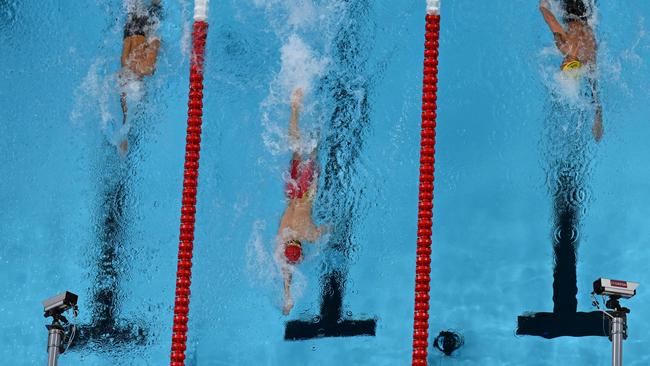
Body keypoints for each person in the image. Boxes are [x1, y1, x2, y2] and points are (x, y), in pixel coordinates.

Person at [276, 88, 326, 315]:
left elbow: (329, 228)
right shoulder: (282, 234)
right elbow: (284, 269)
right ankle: (295, 107)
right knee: (296, 152)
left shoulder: (309, 235)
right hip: (292, 190)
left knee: (313, 151)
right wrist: (286, 295)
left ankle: (317, 115)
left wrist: (330, 229)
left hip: (305, 193)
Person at [539, 0, 603, 142]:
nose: (561, 66)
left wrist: (598, 117)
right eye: (565, 67)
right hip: (569, 9)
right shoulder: (566, 47)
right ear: (570, 64)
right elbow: (549, 18)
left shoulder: (589, 56)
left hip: (587, 12)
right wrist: (543, 5)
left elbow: (594, 86)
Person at [118, 0, 162, 155]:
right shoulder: (125, 65)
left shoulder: (143, 68)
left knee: (153, 8)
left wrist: (156, 43)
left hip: (142, 31)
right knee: (134, 7)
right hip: (131, 32)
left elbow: (156, 44)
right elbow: (125, 114)